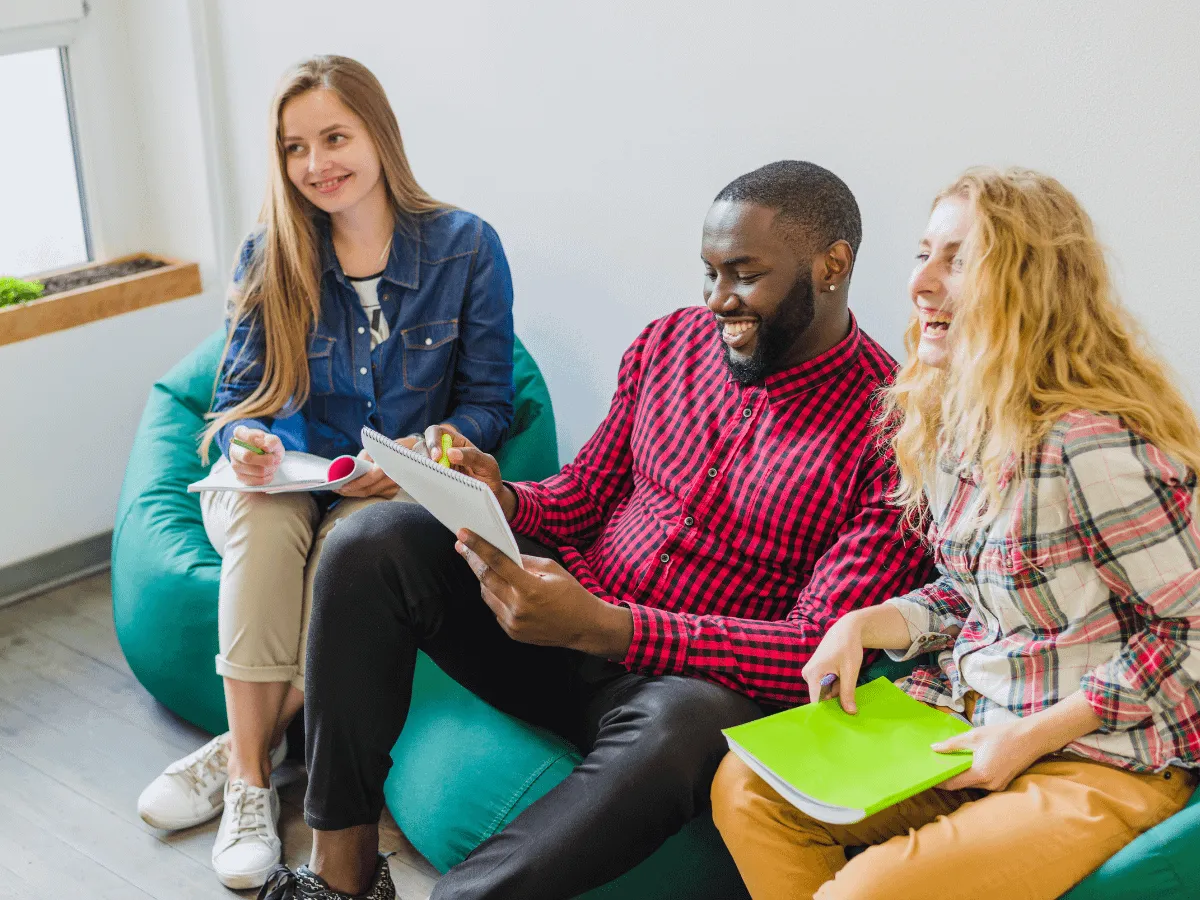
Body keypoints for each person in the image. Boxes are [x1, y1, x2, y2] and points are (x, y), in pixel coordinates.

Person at [256, 160, 936, 900]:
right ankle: (340, 876)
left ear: (832, 266)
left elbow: (812, 649)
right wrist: (504, 498)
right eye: (708, 273)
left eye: (744, 275)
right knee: (369, 543)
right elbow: (583, 497)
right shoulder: (668, 345)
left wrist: (609, 627)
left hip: (682, 685)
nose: (717, 301)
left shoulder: (894, 435)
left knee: (686, 722)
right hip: (559, 621)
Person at [711, 167, 1200, 900]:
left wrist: (1031, 738)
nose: (922, 284)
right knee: (745, 786)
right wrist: (869, 622)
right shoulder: (950, 419)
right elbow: (991, 592)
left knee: (861, 894)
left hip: (1096, 756)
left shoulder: (1091, 445)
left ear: (1030, 287)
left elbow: (1190, 635)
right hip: (971, 718)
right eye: (923, 254)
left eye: (959, 260)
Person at [135, 55, 515, 891]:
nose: (317, 164)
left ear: (379, 134)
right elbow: (236, 400)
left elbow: (494, 400)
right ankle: (247, 786)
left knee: (355, 558)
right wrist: (255, 445)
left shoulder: (465, 247)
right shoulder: (271, 252)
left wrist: (427, 450)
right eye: (295, 147)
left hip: (386, 490)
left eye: (335, 137)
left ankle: (246, 744)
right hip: (284, 486)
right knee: (268, 525)